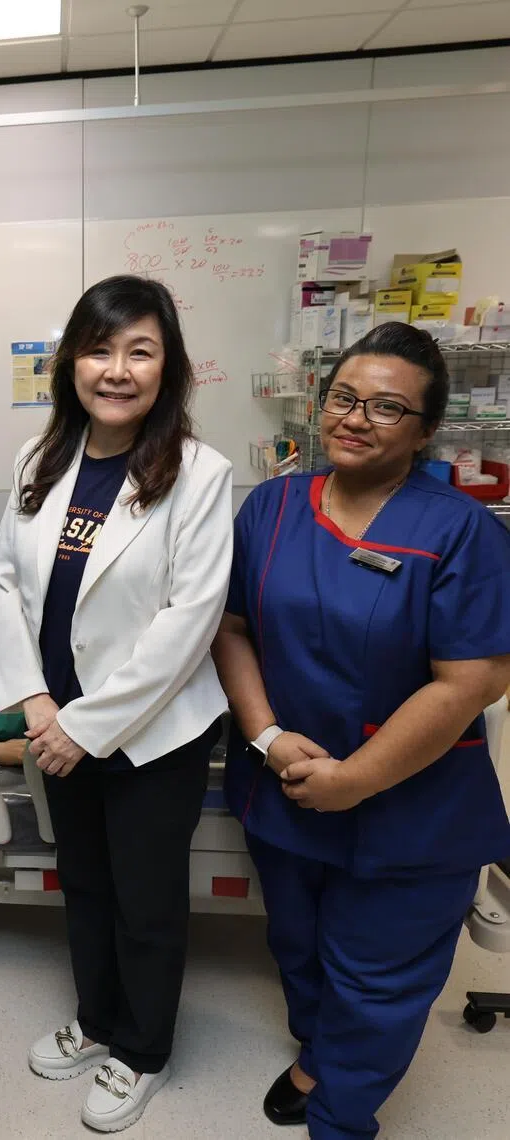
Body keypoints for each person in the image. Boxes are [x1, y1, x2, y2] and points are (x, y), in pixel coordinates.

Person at [212, 322, 510, 1140]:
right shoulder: (271, 507)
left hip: (413, 808)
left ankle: (340, 1115)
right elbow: (232, 628)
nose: (356, 418)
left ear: (423, 430)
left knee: (376, 976)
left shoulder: (462, 532)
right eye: (344, 398)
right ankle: (318, 1054)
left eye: (387, 408)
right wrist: (267, 735)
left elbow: (473, 679)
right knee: (299, 945)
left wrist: (359, 779)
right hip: (288, 787)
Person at [0, 275, 233, 1132]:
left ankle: (144, 1050)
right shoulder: (37, 458)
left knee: (147, 898)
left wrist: (84, 728)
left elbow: (187, 625)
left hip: (151, 735)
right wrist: (38, 707)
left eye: (140, 351)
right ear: (70, 362)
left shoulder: (199, 475)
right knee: (82, 881)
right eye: (99, 348)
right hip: (56, 728)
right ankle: (96, 1022)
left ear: (169, 367)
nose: (116, 370)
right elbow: (4, 587)